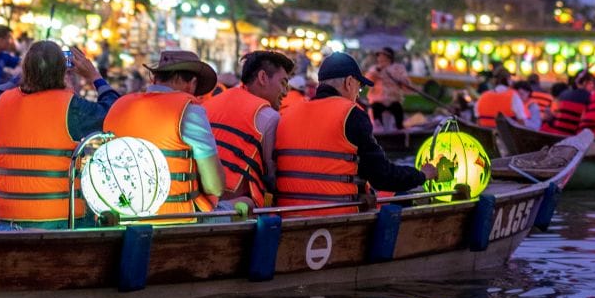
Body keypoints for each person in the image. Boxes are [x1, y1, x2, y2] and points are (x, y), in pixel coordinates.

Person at [274, 52, 434, 215]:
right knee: (401, 197)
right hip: (335, 217)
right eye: (359, 87)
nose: (358, 94)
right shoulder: (350, 113)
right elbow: (382, 176)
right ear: (349, 82)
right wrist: (422, 175)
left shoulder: (288, 113)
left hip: (287, 214)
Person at [0, 42, 118, 226]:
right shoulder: (70, 106)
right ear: (62, 72)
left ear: (25, 69)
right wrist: (95, 76)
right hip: (57, 218)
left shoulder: (1, 103)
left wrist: (27, 73)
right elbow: (113, 112)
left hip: (7, 216)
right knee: (103, 213)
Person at [103, 50, 226, 216]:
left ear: (155, 78)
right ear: (191, 82)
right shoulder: (189, 110)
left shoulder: (118, 105)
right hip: (175, 219)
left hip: (121, 215)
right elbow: (215, 186)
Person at [204, 49, 294, 206]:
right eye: (283, 83)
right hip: (237, 208)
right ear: (262, 77)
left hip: (201, 201)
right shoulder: (268, 117)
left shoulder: (209, 104)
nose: (286, 92)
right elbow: (272, 175)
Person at [364, 48, 411, 131]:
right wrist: (377, 72)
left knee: (398, 109)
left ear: (389, 57)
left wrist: (396, 77)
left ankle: (399, 128)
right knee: (375, 109)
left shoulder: (398, 69)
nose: (380, 58)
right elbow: (367, 82)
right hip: (378, 101)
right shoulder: (374, 69)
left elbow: (406, 84)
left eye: (382, 55)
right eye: (379, 56)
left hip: (394, 100)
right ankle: (377, 128)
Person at [546, 72, 593, 137]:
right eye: (591, 83)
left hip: (555, 134)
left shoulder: (563, 95)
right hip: (573, 138)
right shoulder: (590, 98)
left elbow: (552, 118)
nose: (592, 86)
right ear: (585, 82)